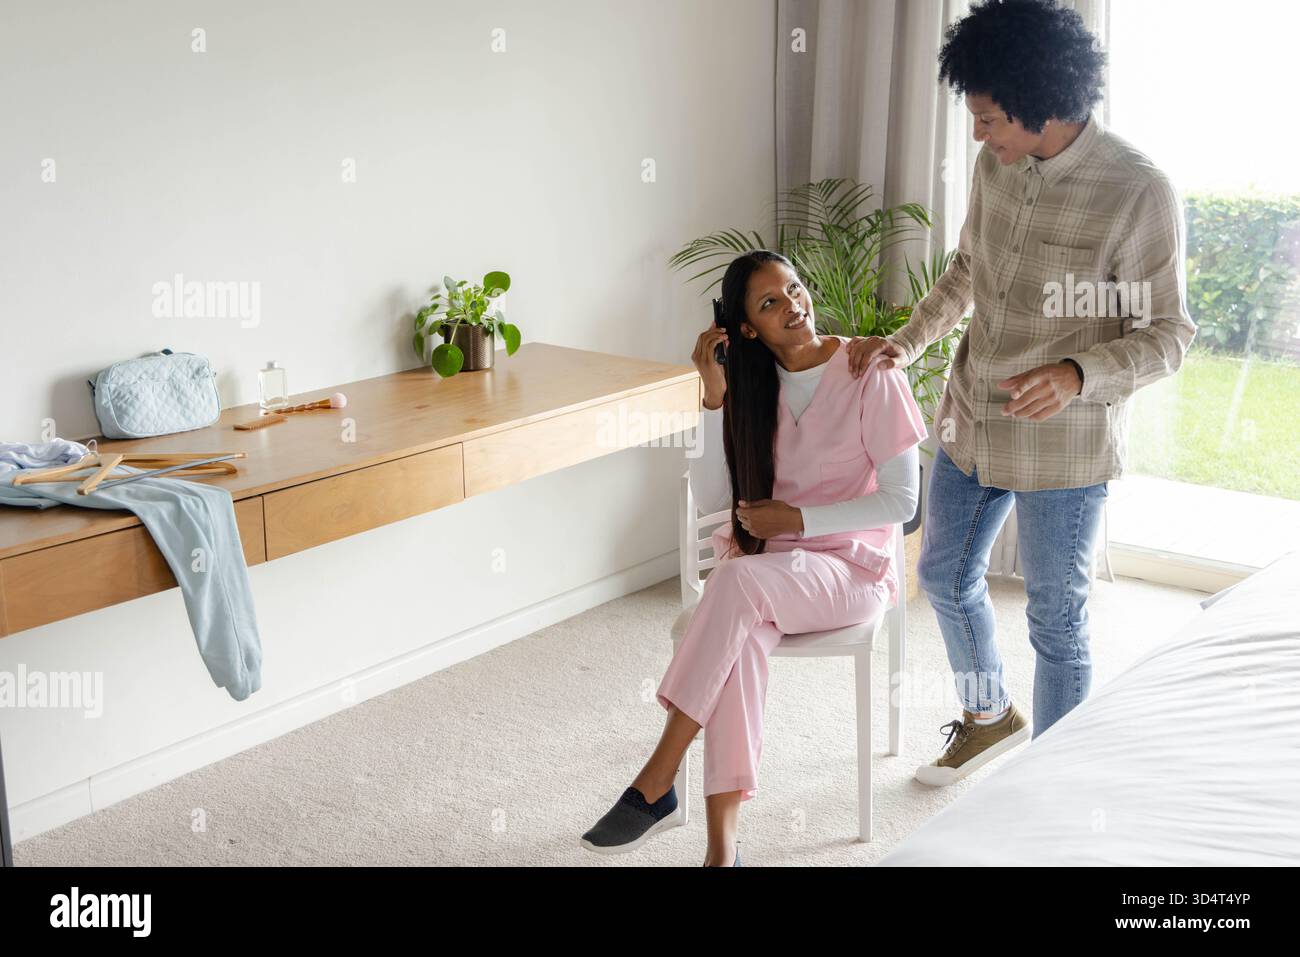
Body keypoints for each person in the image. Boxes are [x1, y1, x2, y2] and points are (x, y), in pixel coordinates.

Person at [847, 0, 1196, 786]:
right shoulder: (994, 164)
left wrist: (1078, 374)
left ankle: (1054, 787)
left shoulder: (1137, 191)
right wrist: (906, 342)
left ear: (1050, 105)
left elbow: (1168, 333)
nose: (979, 134)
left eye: (993, 119)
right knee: (940, 575)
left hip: (1065, 446)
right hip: (974, 415)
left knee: (1056, 622)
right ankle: (988, 715)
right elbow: (967, 271)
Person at [580, 250, 928, 865]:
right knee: (735, 643)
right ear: (745, 329)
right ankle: (723, 853)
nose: (793, 305)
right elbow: (716, 498)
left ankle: (658, 776)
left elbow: (902, 503)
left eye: (793, 289)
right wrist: (712, 399)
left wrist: (798, 519)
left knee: (735, 584)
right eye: (770, 302)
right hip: (768, 571)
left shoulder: (870, 370)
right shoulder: (749, 387)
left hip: (848, 572)